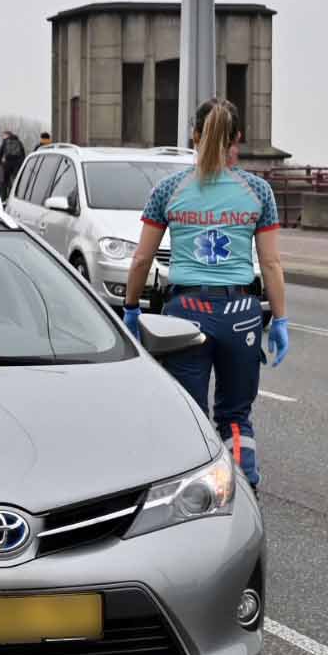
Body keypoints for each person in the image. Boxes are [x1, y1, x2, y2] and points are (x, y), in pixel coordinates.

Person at [122, 97, 289, 493]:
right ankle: (244, 489)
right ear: (239, 139)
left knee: (189, 416)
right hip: (241, 312)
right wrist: (279, 319)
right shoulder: (258, 192)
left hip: (185, 313)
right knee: (235, 416)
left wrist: (131, 309)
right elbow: (271, 265)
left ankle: (193, 500)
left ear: (193, 136)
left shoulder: (169, 190)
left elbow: (142, 258)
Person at [0, 130, 27, 199]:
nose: (3, 137)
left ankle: (3, 197)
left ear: (7, 135)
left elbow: (1, 153)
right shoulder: (19, 142)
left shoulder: (5, 142)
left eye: (4, 135)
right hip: (17, 163)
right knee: (16, 180)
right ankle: (17, 195)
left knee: (5, 181)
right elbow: (23, 153)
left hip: (8, 163)